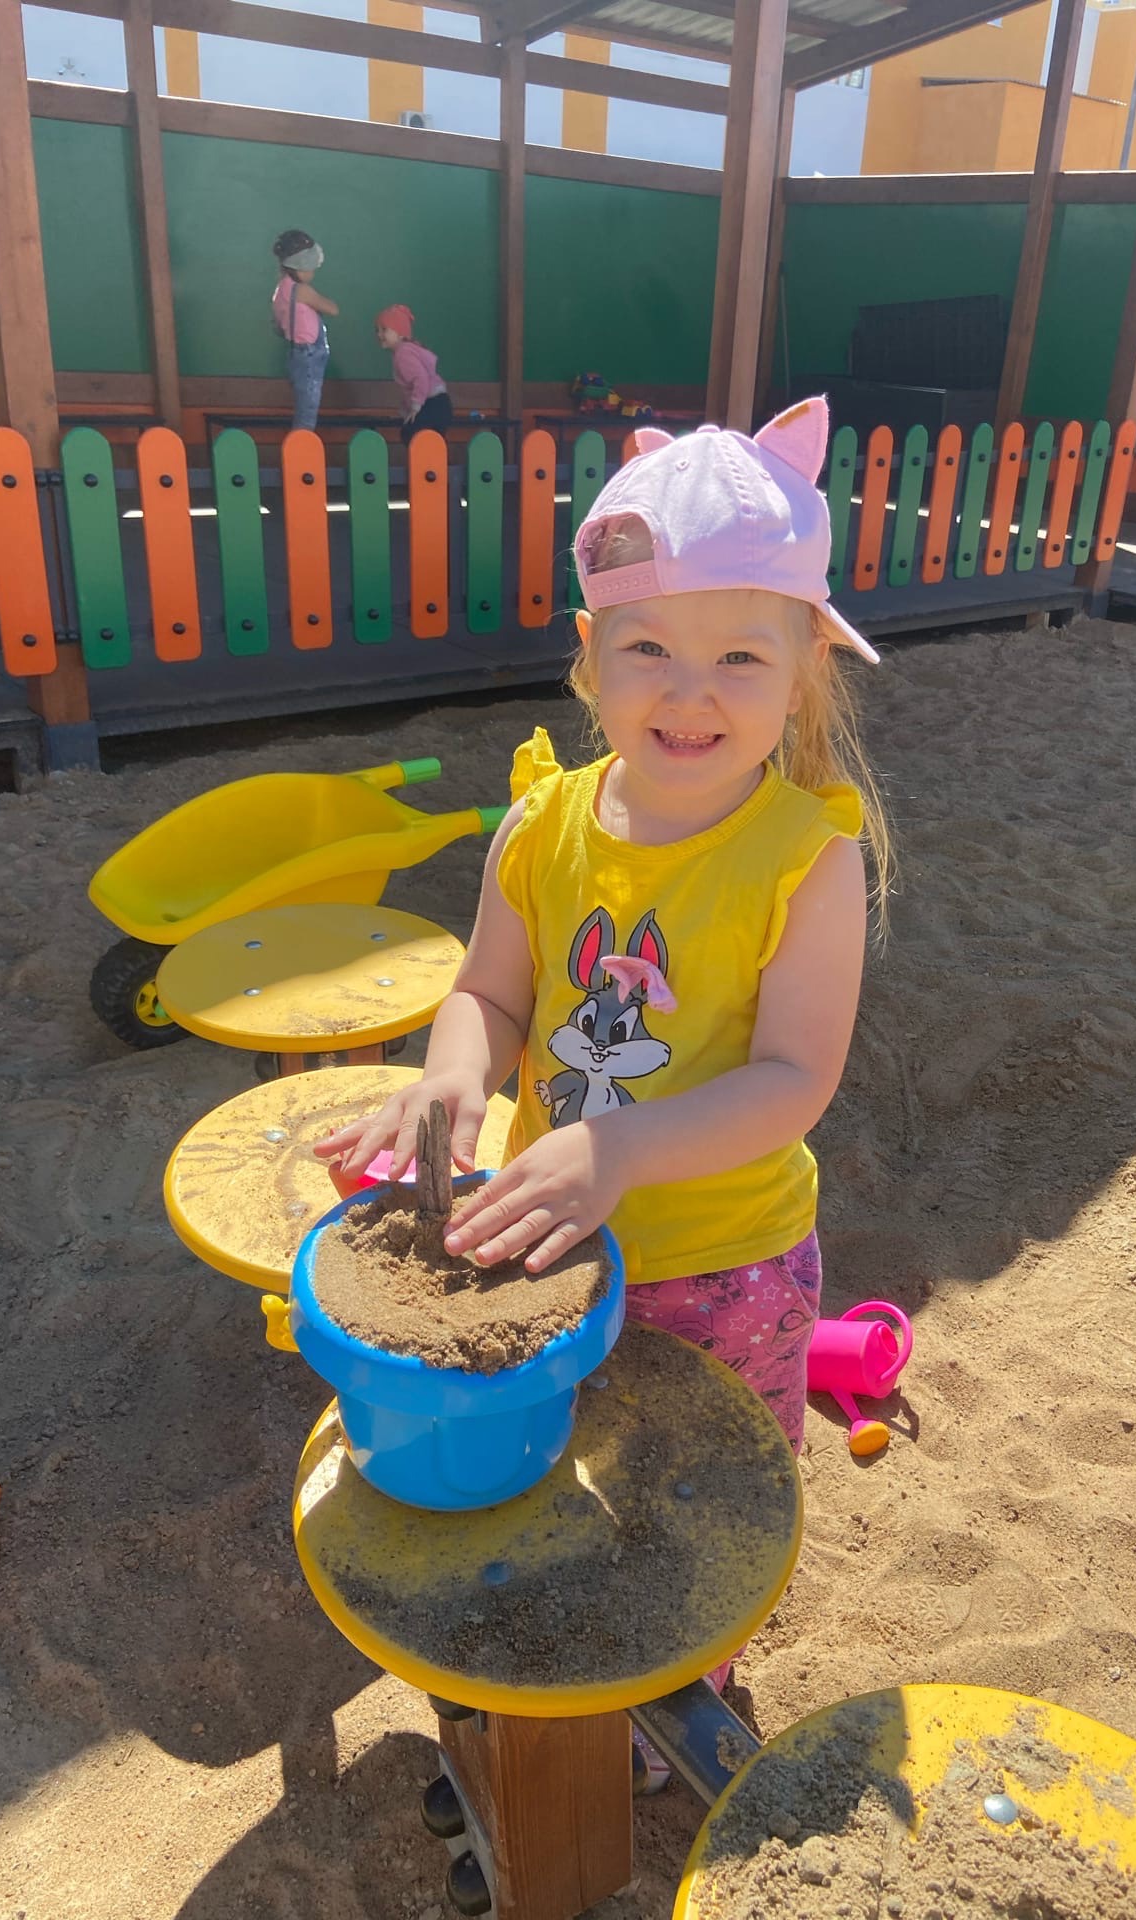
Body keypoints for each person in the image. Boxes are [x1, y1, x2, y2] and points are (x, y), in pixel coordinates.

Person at [314, 396, 892, 1774]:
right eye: (649, 650)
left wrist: (624, 1150)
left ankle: (679, 1686)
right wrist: (453, 1082)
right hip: (547, 1243)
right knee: (557, 1470)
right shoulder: (542, 821)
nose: (689, 695)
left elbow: (795, 1079)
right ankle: (557, 1676)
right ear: (590, 654)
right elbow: (490, 993)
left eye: (739, 656)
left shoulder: (807, 858)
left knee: (687, 1501)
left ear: (805, 671)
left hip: (724, 1261)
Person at [271, 229, 338, 432]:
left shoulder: (281, 289)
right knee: (307, 410)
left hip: (295, 352)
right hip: (309, 354)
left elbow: (278, 324)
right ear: (298, 267)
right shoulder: (302, 290)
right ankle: (301, 445)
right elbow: (333, 309)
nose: (312, 273)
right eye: (310, 268)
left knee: (304, 405)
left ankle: (301, 441)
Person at [374, 303, 453, 443]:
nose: (379, 334)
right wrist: (406, 411)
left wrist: (416, 407)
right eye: (377, 330)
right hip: (439, 403)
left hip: (432, 404)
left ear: (399, 333)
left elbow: (421, 379)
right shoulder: (407, 350)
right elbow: (411, 387)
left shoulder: (403, 354)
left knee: (412, 435)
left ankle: (429, 456)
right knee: (426, 440)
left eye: (384, 330)